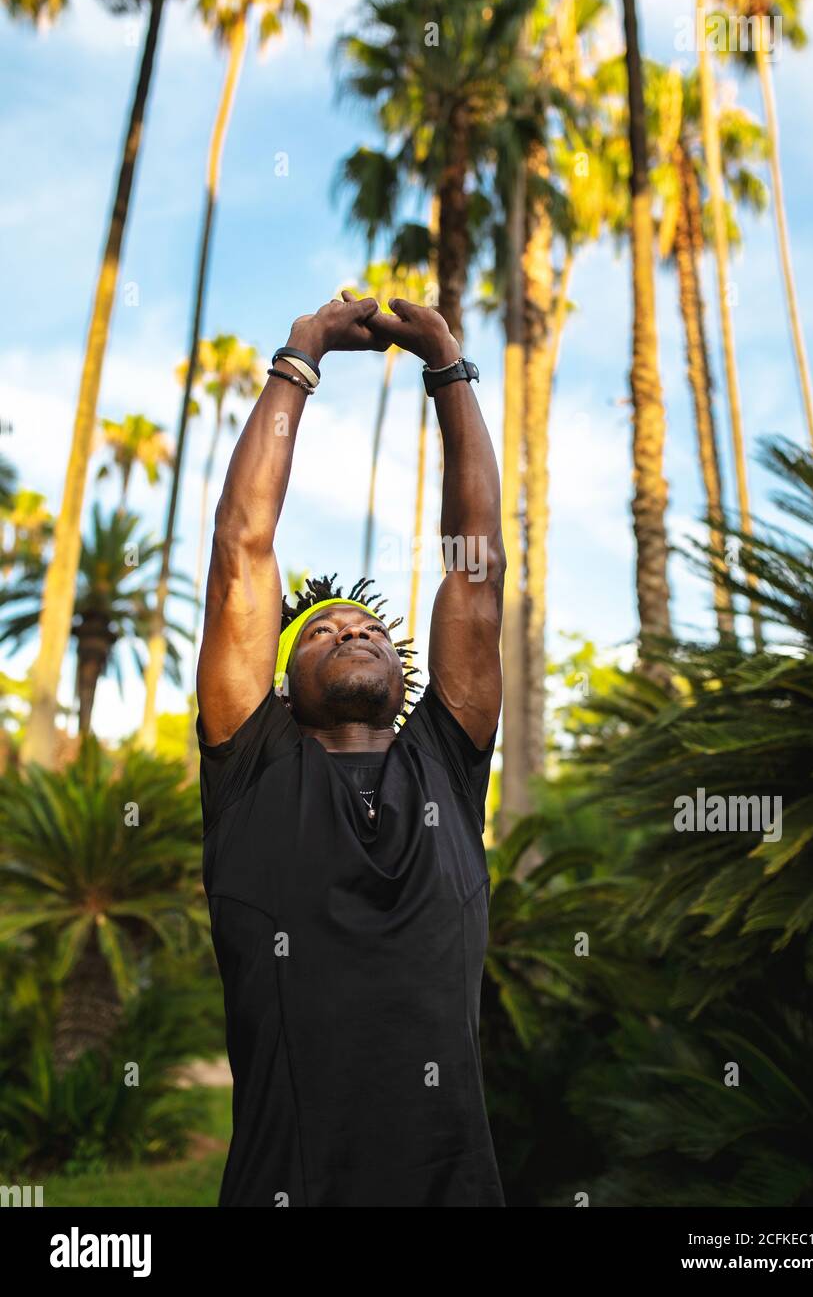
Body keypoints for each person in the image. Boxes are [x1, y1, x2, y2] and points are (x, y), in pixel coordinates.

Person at [196, 291, 506, 1207]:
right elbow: (242, 551)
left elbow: (475, 567)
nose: (352, 632)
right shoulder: (254, 768)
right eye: (322, 631)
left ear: (406, 676)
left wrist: (447, 366)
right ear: (280, 687)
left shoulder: (445, 762)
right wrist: (301, 356)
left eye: (368, 626)